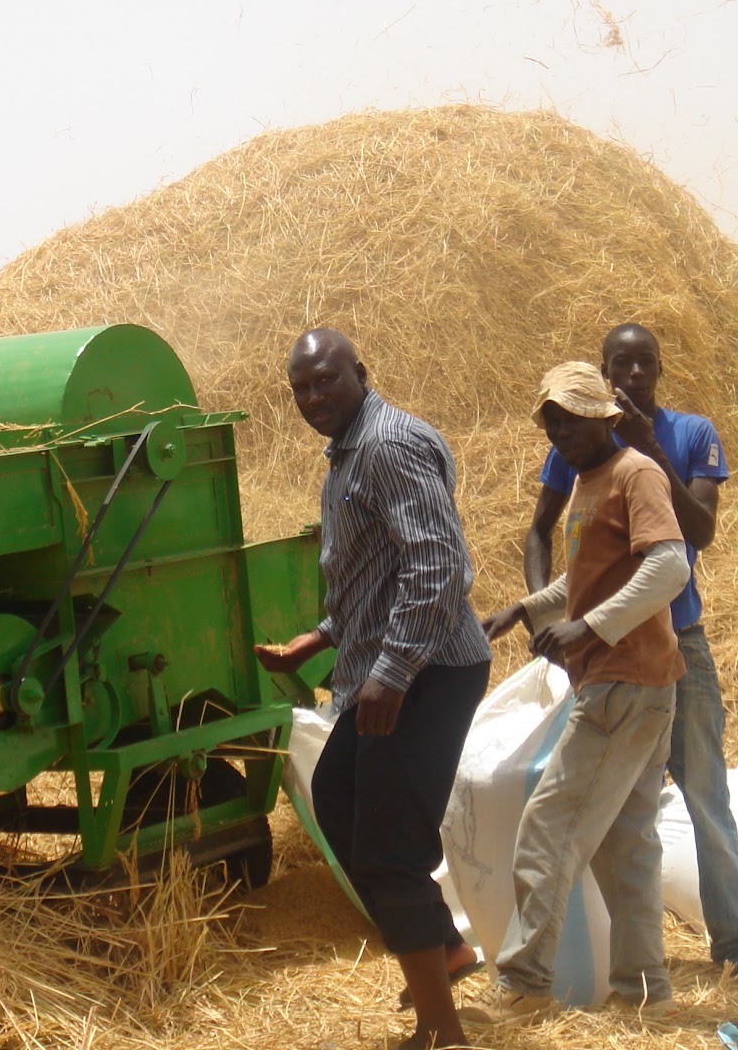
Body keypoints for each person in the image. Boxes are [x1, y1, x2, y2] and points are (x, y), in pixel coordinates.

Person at [523, 322, 738, 995]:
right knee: (629, 825)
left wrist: (648, 449)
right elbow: (546, 532)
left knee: (704, 794)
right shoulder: (581, 445)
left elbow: (696, 538)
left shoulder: (683, 438)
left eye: (645, 364)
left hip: (676, 641)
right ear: (606, 376)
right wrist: (548, 615)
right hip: (603, 651)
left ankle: (736, 943)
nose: (634, 375)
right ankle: (642, 982)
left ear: (660, 370)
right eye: (621, 365)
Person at [256, 329, 491, 1050]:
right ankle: (443, 950)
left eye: (327, 380)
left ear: (362, 372)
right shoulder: (352, 450)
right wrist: (323, 636)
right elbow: (377, 568)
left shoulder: (386, 446)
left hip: (425, 670)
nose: (314, 398)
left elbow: (435, 565)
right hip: (384, 666)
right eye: (301, 388)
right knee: (341, 801)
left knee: (389, 849)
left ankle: (440, 1032)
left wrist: (391, 673)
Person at [476, 360, 689, 1027]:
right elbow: (588, 578)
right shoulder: (586, 482)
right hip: (628, 681)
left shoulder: (635, 474)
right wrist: (524, 608)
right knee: (627, 843)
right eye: (551, 421)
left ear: (604, 416)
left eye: (570, 417)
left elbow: (670, 567)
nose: (560, 430)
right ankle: (645, 992)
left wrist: (589, 627)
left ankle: (524, 983)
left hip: (626, 681)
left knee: (549, 827)